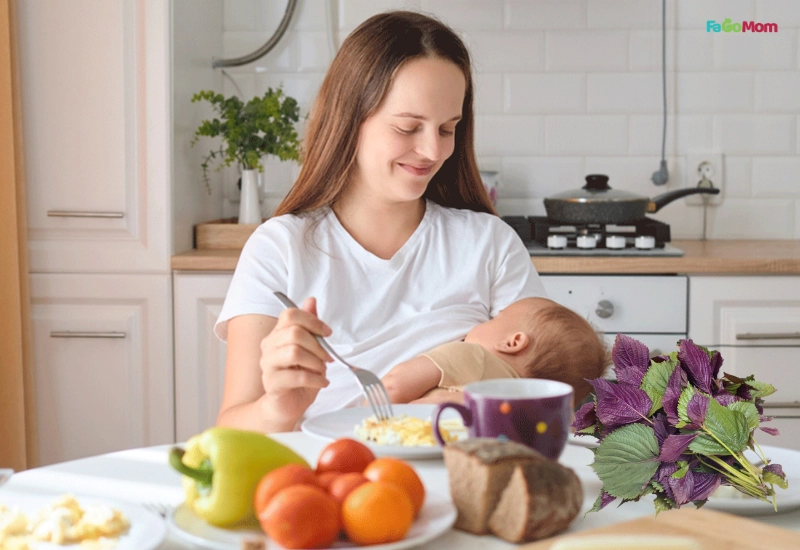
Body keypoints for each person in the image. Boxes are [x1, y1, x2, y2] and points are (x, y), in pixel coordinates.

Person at [214, 10, 547, 433]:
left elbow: (549, 390)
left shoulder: (489, 244)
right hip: (325, 483)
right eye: (408, 127)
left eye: (448, 129)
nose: (432, 151)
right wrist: (281, 407)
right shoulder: (279, 248)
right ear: (350, 119)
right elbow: (229, 432)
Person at [381, 297, 608, 405]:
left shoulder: (473, 356)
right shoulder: (533, 409)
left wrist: (367, 419)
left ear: (512, 343)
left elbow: (394, 385)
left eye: (496, 318)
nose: (486, 320)